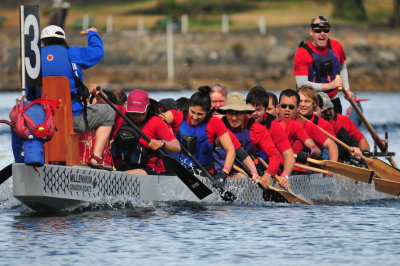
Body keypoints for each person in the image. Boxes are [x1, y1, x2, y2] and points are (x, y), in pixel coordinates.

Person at [29, 25, 115, 170]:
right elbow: (98, 52)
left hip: (42, 123)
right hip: (73, 119)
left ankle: (34, 157)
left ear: (42, 42)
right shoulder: (71, 53)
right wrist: (93, 34)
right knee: (108, 112)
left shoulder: (33, 60)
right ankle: (95, 158)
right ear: (62, 40)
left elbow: (31, 96)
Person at [163, 86, 235, 184]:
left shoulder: (215, 123)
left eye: (200, 114)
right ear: (189, 107)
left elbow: (230, 150)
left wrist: (224, 173)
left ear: (208, 112)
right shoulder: (176, 116)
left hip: (205, 172)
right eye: (192, 112)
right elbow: (155, 120)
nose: (195, 117)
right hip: (181, 171)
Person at [217, 93, 287, 189]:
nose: (233, 118)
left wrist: (267, 175)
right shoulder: (217, 125)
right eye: (230, 113)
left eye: (238, 113)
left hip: (245, 174)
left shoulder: (256, 129)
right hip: (219, 171)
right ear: (226, 113)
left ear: (245, 112)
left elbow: (275, 156)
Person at [293, 16, 354, 114]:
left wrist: (347, 89)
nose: (322, 33)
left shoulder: (337, 46)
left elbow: (342, 67)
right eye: (318, 30)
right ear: (311, 32)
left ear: (328, 32)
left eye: (325, 30)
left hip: (333, 100)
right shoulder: (302, 53)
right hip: (310, 103)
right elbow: (301, 84)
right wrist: (329, 85)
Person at [113, 90, 181, 175]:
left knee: (127, 174)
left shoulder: (156, 122)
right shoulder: (120, 114)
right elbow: (103, 105)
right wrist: (96, 93)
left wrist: (162, 143)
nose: (135, 116)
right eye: (132, 113)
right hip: (119, 167)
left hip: (147, 170)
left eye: (140, 113)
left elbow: (177, 147)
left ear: (147, 109)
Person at [246, 86, 295, 177]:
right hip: (248, 168)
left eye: (258, 110)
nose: (254, 114)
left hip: (269, 170)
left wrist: (285, 176)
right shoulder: (241, 120)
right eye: (251, 110)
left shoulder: (273, 126)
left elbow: (289, 156)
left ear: (265, 109)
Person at [278, 89, 338, 162]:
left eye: (291, 107)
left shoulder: (307, 125)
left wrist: (309, 151)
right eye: (283, 106)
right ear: (277, 108)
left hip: (298, 170)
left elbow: (331, 145)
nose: (287, 110)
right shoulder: (270, 124)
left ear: (297, 109)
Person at [318, 92, 370, 159]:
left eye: (330, 109)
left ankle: (356, 104)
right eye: (324, 111)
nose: (328, 113)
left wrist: (366, 154)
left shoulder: (344, 120)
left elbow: (361, 140)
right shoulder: (313, 123)